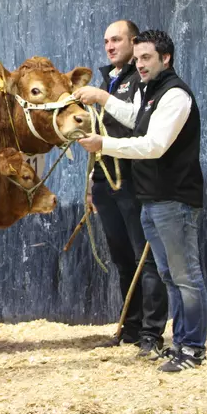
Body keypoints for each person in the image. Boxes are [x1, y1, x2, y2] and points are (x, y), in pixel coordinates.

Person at [77, 30, 207, 372]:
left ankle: (192, 348)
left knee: (185, 276)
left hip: (174, 199)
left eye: (146, 58)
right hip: (152, 199)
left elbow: (154, 145)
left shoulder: (175, 95)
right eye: (137, 59)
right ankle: (180, 343)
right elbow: (135, 120)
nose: (140, 65)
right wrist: (105, 101)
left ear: (166, 58)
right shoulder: (151, 94)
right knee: (169, 275)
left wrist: (104, 145)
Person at [84, 20, 168, 356]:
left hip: (133, 179)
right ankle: (131, 329)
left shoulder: (142, 79)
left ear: (133, 42)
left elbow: (138, 122)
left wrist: (102, 97)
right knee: (122, 259)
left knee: (145, 259)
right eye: (105, 41)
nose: (109, 46)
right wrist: (92, 182)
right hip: (107, 180)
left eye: (116, 39)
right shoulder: (112, 77)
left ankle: (151, 334)